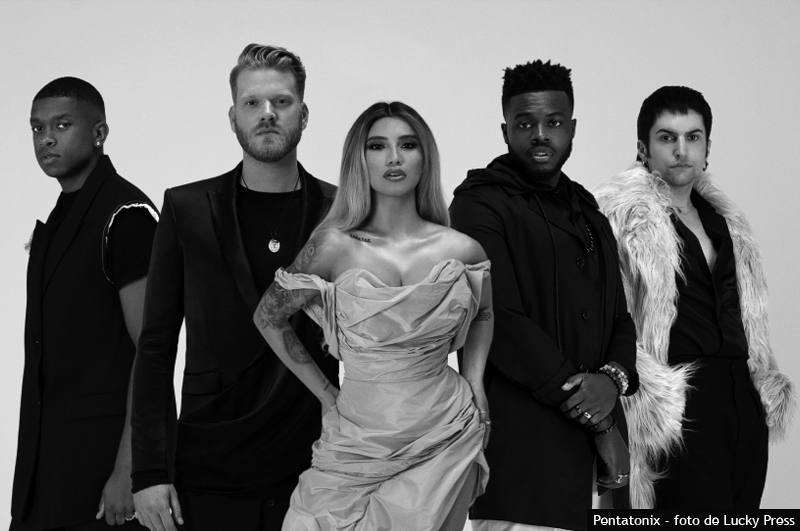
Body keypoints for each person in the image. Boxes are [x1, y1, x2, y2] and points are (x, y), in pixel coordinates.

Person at [252, 101, 492, 531]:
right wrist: (327, 395)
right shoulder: (331, 246)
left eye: (407, 145)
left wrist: (474, 380)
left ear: (426, 157)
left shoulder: (462, 249)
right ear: (358, 160)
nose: (394, 158)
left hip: (445, 432)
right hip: (355, 441)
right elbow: (268, 317)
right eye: (378, 146)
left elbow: (484, 312)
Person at [130, 44, 338, 531]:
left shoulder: (340, 213)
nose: (267, 114)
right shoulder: (186, 209)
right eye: (252, 103)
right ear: (232, 117)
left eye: (282, 102)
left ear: (304, 114)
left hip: (316, 464)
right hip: (208, 464)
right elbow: (156, 347)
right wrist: (149, 471)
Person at [449, 60, 639, 531]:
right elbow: (502, 321)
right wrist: (596, 417)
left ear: (572, 127)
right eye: (525, 123)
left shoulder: (587, 210)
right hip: (524, 460)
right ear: (505, 130)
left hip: (601, 468)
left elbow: (619, 316)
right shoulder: (479, 203)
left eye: (553, 122)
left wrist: (612, 382)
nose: (540, 134)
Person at [593, 85, 796, 509]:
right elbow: (611, 317)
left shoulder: (726, 222)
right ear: (643, 148)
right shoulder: (622, 222)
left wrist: (756, 394)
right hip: (680, 398)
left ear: (707, 147)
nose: (681, 149)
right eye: (667, 137)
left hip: (742, 395)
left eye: (693, 137)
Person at [12, 77, 158, 530]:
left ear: (99, 133)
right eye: (37, 128)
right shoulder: (60, 218)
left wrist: (130, 470)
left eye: (61, 124)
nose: (46, 138)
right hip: (46, 466)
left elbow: (151, 350)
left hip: (101, 471)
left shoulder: (126, 215)